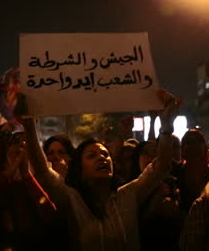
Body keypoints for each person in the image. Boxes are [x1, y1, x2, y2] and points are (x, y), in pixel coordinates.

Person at [21, 90, 179, 250]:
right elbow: (41, 171)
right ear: (80, 169)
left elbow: (161, 167)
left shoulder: (128, 195)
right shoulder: (72, 199)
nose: (102, 158)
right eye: (91, 156)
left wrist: (166, 126)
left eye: (105, 154)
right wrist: (28, 124)